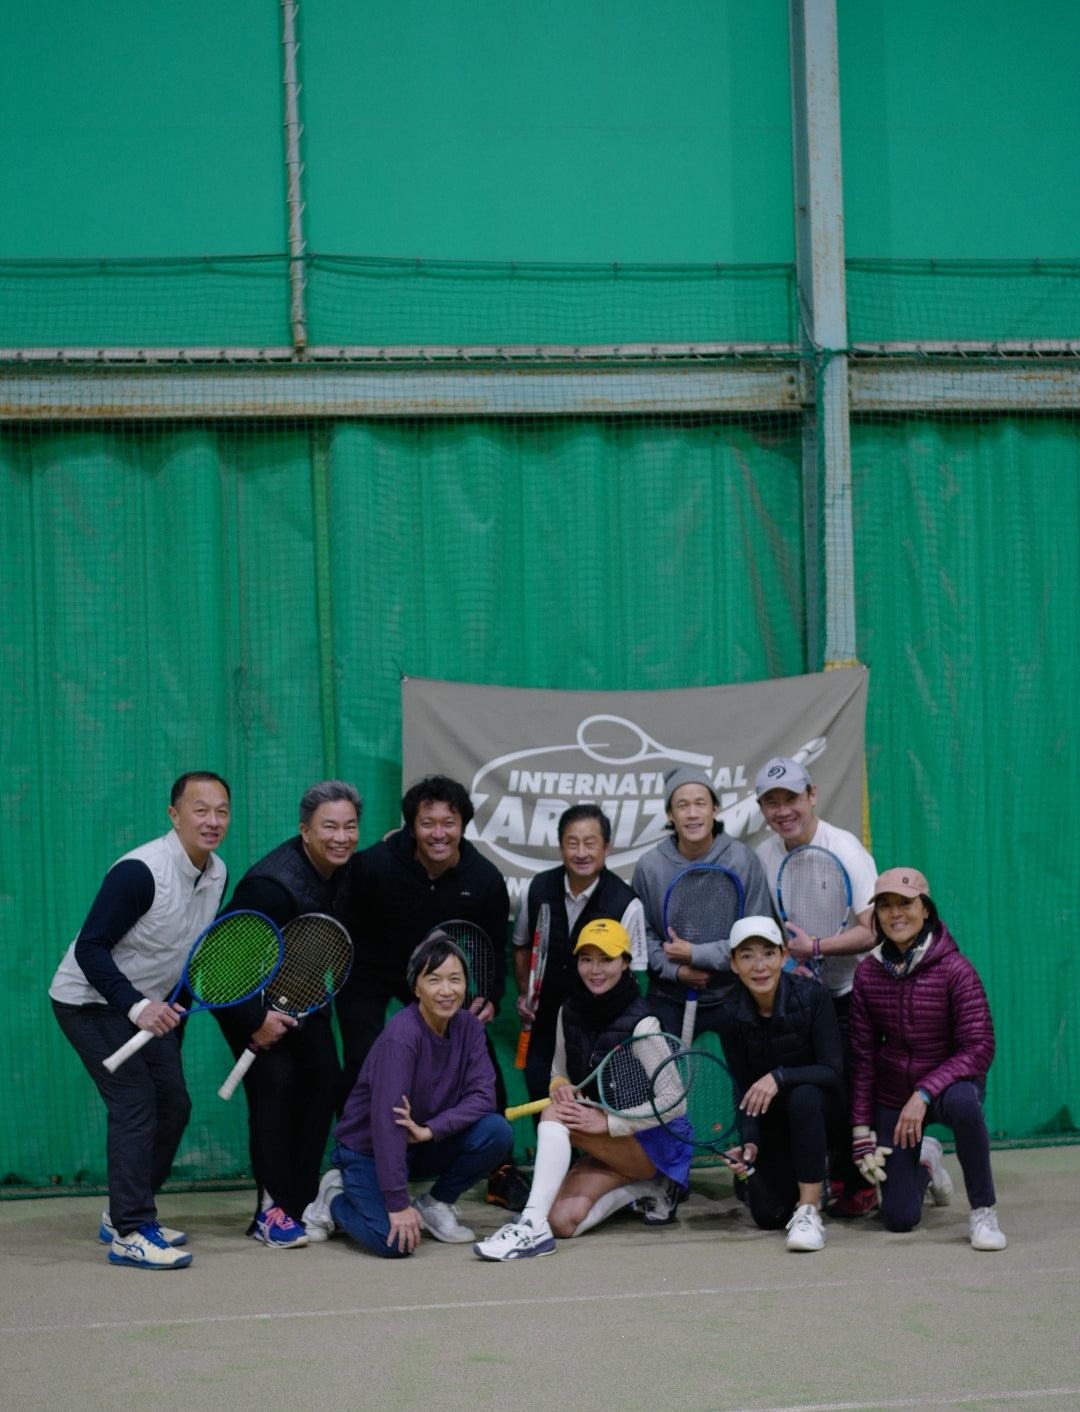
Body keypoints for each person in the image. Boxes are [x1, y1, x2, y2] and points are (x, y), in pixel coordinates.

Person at [49, 772, 232, 1270]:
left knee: (174, 1105)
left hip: (150, 1004)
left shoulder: (217, 872)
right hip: (88, 1001)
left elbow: (187, 950)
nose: (212, 821)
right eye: (200, 809)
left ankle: (124, 1214)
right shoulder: (140, 872)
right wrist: (136, 1007)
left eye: (221, 811)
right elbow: (90, 947)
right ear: (174, 815)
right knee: (134, 1102)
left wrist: (172, 1011)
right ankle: (131, 1232)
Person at [335, 774, 526, 1210]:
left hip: (434, 977)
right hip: (372, 972)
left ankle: (501, 1169)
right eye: (427, 823)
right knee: (363, 1057)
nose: (438, 833)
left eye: (449, 822)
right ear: (411, 827)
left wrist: (490, 995)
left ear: (463, 826)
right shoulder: (373, 866)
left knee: (481, 1059)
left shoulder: (484, 879)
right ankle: (356, 1161)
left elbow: (492, 947)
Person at [473, 918, 692, 1260]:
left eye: (606, 959)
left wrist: (609, 1123)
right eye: (586, 959)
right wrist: (560, 1086)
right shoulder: (569, 1010)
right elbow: (559, 1072)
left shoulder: (643, 1023)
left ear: (625, 962)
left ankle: (531, 1225)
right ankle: (649, 1190)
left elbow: (674, 1103)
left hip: (655, 1145)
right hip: (609, 1143)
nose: (595, 969)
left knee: (555, 1114)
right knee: (561, 1221)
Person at [213, 780, 363, 1249]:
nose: (341, 837)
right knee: (274, 1083)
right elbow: (217, 965)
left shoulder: (343, 871)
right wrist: (254, 1019)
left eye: (350, 827)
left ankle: (299, 1201)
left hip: (300, 998)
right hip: (244, 998)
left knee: (325, 1079)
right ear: (304, 830)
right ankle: (270, 1210)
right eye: (329, 827)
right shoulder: (270, 888)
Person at [301, 933, 512, 1258]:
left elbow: (484, 1097)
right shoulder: (401, 1037)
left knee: (496, 1132)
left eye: (455, 979)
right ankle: (333, 1199)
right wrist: (398, 1204)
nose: (446, 990)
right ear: (416, 987)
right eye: (434, 980)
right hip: (369, 1151)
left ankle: (435, 1203)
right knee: (393, 1243)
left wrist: (430, 1130)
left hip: (421, 1141)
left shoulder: (469, 1027)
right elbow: (388, 1125)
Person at [848, 868, 1005, 1251]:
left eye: (905, 903)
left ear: (926, 910)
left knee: (966, 1105)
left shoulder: (956, 969)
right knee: (899, 1218)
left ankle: (983, 1211)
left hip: (948, 1087)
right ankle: (927, 1164)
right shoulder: (868, 973)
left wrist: (924, 1093)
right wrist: (861, 1130)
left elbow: (979, 1047)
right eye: (885, 905)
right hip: (893, 1095)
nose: (895, 913)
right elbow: (863, 1056)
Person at [754, 754, 880, 1215]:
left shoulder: (846, 850)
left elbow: (872, 931)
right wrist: (791, 962)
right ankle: (813, 1172)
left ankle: (864, 1176)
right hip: (800, 997)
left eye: (790, 798)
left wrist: (818, 947)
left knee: (847, 1089)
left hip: (852, 995)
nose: (782, 811)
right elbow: (772, 930)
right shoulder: (765, 856)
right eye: (771, 802)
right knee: (804, 1094)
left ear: (812, 795)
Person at [714, 916, 846, 1252]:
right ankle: (812, 1173)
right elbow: (745, 1089)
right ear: (733, 963)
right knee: (767, 1215)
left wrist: (780, 1076)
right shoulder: (729, 1014)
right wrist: (749, 1142)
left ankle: (809, 1210)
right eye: (747, 956)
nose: (759, 966)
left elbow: (833, 1070)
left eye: (768, 954)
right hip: (776, 1121)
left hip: (825, 1112)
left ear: (784, 955)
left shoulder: (813, 996)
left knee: (803, 1096)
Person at [512, 803, 646, 1104]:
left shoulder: (627, 903)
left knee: (593, 1108)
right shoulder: (536, 889)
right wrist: (524, 992)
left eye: (590, 843)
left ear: (606, 847)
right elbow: (521, 945)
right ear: (561, 847)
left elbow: (635, 973)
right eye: (572, 843)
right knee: (541, 1099)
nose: (581, 853)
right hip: (544, 1024)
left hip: (599, 1030)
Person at [632, 765, 772, 1041]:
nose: (692, 813)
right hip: (669, 993)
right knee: (652, 1059)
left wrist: (695, 954)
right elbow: (641, 934)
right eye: (682, 806)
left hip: (733, 991)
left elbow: (757, 936)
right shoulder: (649, 866)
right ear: (670, 814)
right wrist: (677, 970)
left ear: (715, 808)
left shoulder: (743, 860)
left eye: (700, 803)